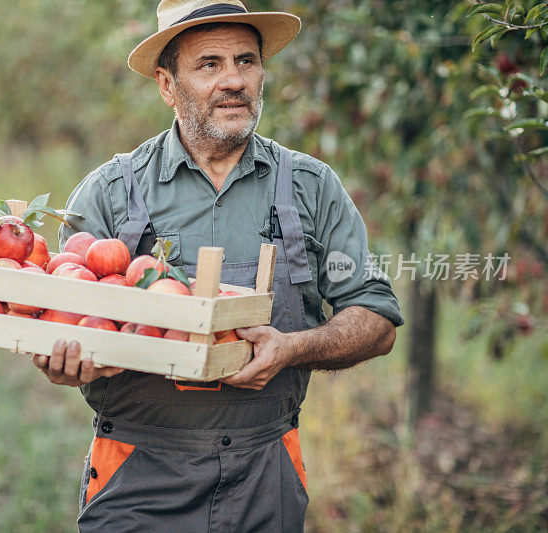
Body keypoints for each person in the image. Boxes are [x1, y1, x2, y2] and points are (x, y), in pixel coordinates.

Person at [32, 1, 404, 530]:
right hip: (139, 471)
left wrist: (293, 347)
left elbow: (377, 318)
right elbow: (59, 325)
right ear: (167, 84)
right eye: (209, 64)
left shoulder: (310, 187)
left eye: (246, 61)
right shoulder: (110, 195)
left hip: (265, 472)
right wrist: (62, 362)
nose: (234, 80)